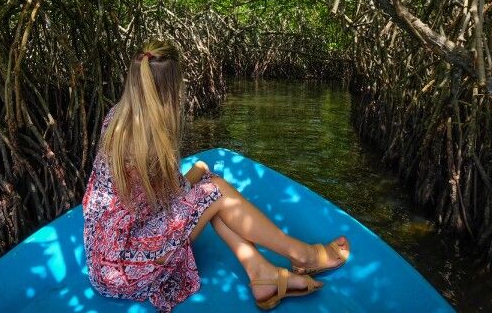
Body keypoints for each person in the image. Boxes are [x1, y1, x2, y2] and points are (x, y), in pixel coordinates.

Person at [82, 40, 350, 312]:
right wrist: (197, 171)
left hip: (105, 262)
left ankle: (261, 273)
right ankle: (303, 255)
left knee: (208, 194)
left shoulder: (117, 118)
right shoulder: (148, 140)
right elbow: (174, 196)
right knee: (215, 191)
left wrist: (195, 176)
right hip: (129, 268)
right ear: (173, 88)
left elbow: (155, 202)